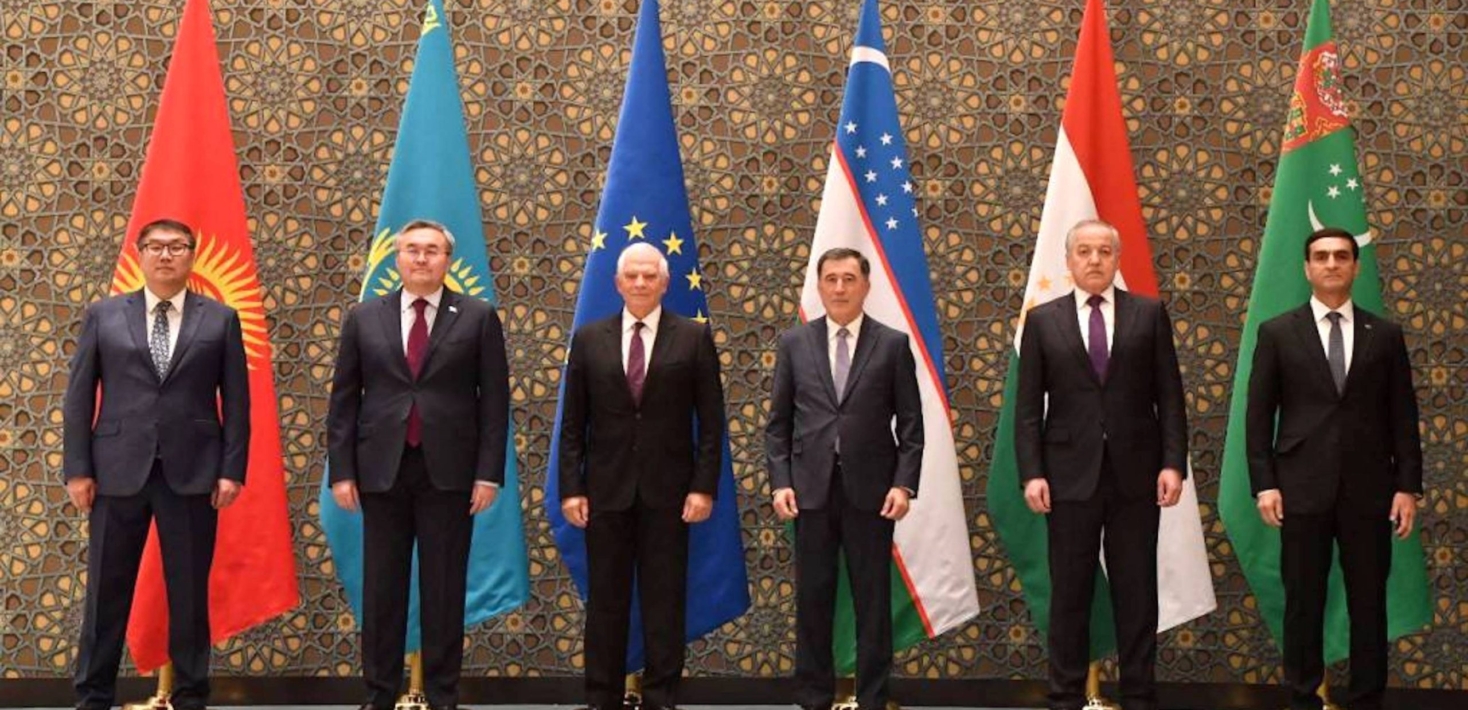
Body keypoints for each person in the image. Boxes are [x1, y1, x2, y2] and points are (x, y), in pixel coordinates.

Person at [64, 218, 250, 710]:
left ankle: (190, 695)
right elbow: (79, 397)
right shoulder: (103, 315)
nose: (166, 255)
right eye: (156, 247)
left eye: (177, 247)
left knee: (188, 595)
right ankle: (93, 695)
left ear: (192, 254)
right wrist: (78, 469)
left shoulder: (220, 319)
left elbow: (237, 401)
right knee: (105, 594)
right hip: (116, 471)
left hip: (192, 473)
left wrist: (232, 469)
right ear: (139, 254)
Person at [327, 219, 510, 710]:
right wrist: (342, 471)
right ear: (397, 258)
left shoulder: (477, 316)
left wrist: (488, 473)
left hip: (450, 473)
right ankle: (379, 694)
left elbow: (494, 403)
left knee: (444, 590)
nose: (422, 258)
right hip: (380, 472)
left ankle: (443, 695)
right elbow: (343, 402)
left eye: (432, 250)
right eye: (412, 249)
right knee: (382, 591)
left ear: (447, 260)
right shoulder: (364, 316)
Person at [1014, 219, 1188, 710]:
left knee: (1137, 593)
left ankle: (1139, 695)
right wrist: (1032, 473)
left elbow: (1169, 397)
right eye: (1085, 251)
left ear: (1117, 259)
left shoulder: (1148, 314)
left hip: (1137, 475)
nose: (1094, 260)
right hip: (1067, 477)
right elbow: (1028, 409)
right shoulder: (1043, 320)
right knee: (1070, 593)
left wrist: (1173, 463)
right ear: (1069, 261)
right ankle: (1064, 696)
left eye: (1104, 251)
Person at [1246, 227, 1422, 710]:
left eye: (1341, 256)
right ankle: (1303, 698)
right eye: (1321, 257)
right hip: (1300, 488)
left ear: (1355, 267)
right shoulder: (1278, 332)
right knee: (1303, 602)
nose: (1331, 264)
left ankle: (1366, 699)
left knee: (1369, 603)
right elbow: (1258, 416)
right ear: (1307, 268)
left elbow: (1403, 417)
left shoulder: (1384, 335)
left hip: (1370, 491)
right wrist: (1264, 484)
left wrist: (1407, 486)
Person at [558, 241, 725, 710]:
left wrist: (703, 487)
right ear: (617, 283)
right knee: (606, 603)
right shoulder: (589, 338)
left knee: (664, 603)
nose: (640, 283)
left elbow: (711, 422)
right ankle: (601, 697)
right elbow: (572, 424)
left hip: (670, 494)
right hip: (604, 493)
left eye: (650, 276)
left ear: (664, 283)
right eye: (632, 275)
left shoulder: (692, 338)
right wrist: (571, 488)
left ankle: (661, 697)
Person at [766, 247, 924, 710]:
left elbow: (911, 426)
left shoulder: (891, 344)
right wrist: (780, 482)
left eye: (849, 279)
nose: (839, 288)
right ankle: (813, 696)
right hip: (809, 492)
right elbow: (778, 425)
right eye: (831, 279)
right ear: (819, 286)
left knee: (872, 600)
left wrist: (903, 485)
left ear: (866, 286)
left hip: (873, 494)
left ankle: (873, 697)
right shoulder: (795, 343)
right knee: (813, 599)